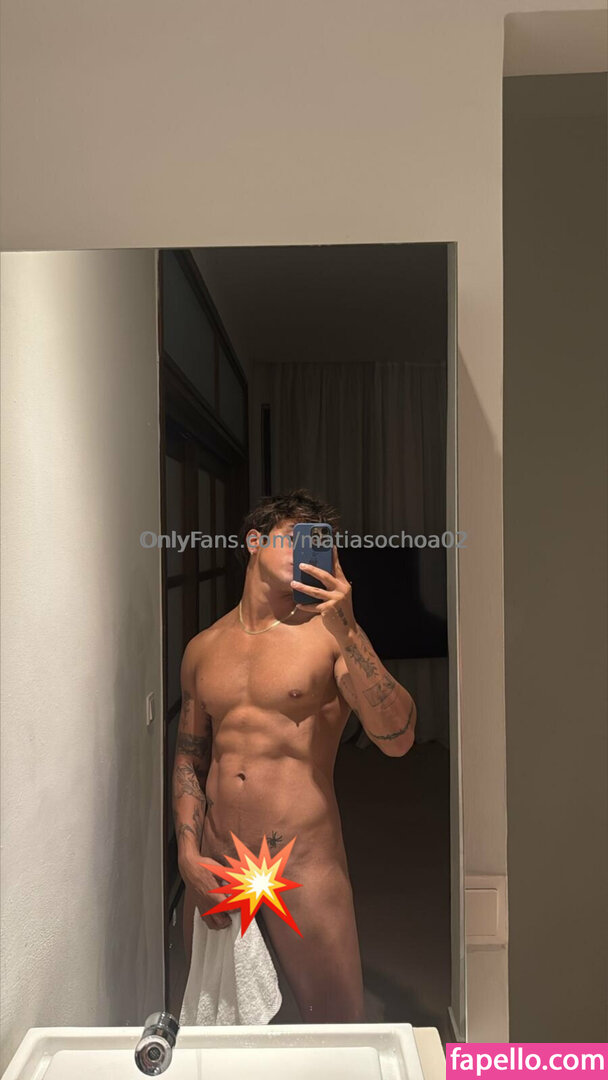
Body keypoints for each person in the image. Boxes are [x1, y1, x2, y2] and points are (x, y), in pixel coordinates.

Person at [173, 489, 417, 1023]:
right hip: (217, 859)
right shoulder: (203, 649)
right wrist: (187, 855)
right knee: (219, 1028)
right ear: (254, 542)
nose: (306, 551)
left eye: (320, 542)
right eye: (293, 538)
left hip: (301, 860)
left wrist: (349, 629)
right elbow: (190, 759)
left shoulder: (329, 640)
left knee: (335, 1027)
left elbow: (397, 738)